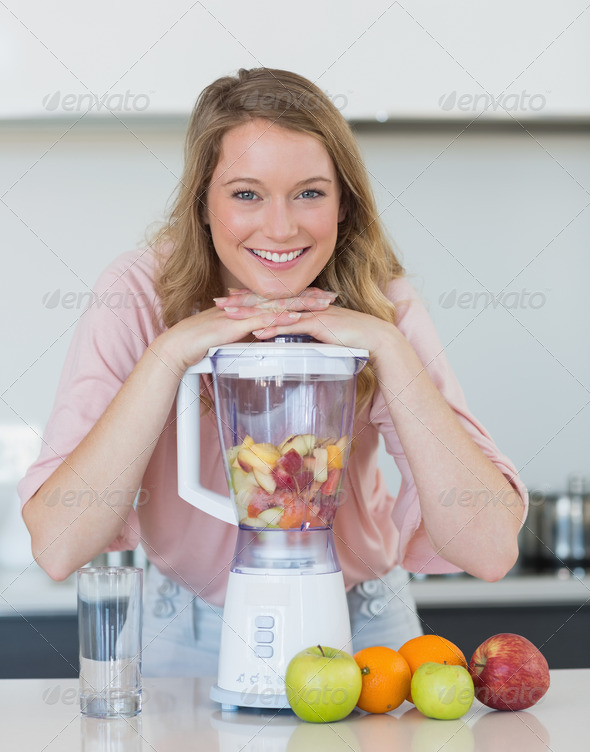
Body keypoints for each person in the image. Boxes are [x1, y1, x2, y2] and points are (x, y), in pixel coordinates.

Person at [19, 68, 527, 677]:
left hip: (364, 627)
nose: (281, 228)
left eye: (310, 192)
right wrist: (170, 354)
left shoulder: (379, 302)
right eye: (246, 194)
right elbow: (57, 546)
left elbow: (490, 549)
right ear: (202, 206)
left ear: (344, 205)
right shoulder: (138, 294)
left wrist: (387, 348)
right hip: (185, 627)